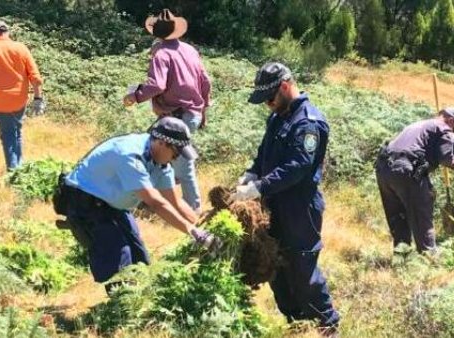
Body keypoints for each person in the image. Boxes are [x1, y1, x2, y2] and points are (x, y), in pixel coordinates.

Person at [231, 62, 340, 334]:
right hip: (274, 207)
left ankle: (327, 326)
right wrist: (251, 173)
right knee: (275, 267)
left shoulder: (308, 123)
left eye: (270, 97)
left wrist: (260, 187)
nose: (268, 104)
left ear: (284, 86)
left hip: (299, 209)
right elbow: (263, 153)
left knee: (302, 271)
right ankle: (297, 324)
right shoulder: (278, 117)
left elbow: (298, 167)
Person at [61, 117, 220, 292]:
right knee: (119, 257)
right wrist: (192, 232)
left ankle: (135, 301)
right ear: (161, 143)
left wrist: (203, 228)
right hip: (84, 202)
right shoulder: (130, 155)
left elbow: (174, 201)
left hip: (112, 205)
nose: (176, 159)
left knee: (140, 259)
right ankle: (121, 309)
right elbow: (156, 203)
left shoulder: (161, 163)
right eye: (175, 153)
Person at [123, 9, 212, 214]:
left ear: (156, 32)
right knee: (157, 155)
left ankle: (193, 210)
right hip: (190, 114)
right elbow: (205, 82)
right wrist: (203, 111)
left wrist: (134, 97)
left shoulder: (161, 54)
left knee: (181, 164)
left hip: (177, 116)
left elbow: (157, 86)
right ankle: (150, 202)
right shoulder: (190, 50)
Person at [376, 108, 454, 252]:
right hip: (407, 171)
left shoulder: (416, 125)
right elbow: (448, 160)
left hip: (384, 169)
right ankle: (429, 259)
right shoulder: (444, 128)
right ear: (451, 121)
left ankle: (402, 256)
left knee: (398, 215)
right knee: (421, 216)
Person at [0, 20, 45, 171]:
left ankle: (13, 170)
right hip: (19, 100)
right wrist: (38, 99)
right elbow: (35, 76)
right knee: (17, 131)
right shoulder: (20, 48)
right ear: (7, 33)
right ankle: (19, 167)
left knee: (8, 133)